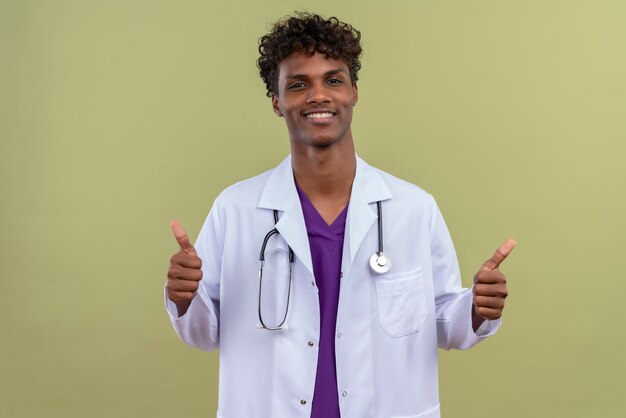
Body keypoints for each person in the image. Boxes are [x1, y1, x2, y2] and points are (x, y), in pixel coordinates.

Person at [165, 12, 515, 418]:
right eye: (298, 84)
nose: (318, 95)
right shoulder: (235, 209)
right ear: (277, 102)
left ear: (353, 92)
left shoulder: (413, 209)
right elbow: (204, 335)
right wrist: (185, 298)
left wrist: (476, 308)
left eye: (333, 80)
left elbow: (442, 323)